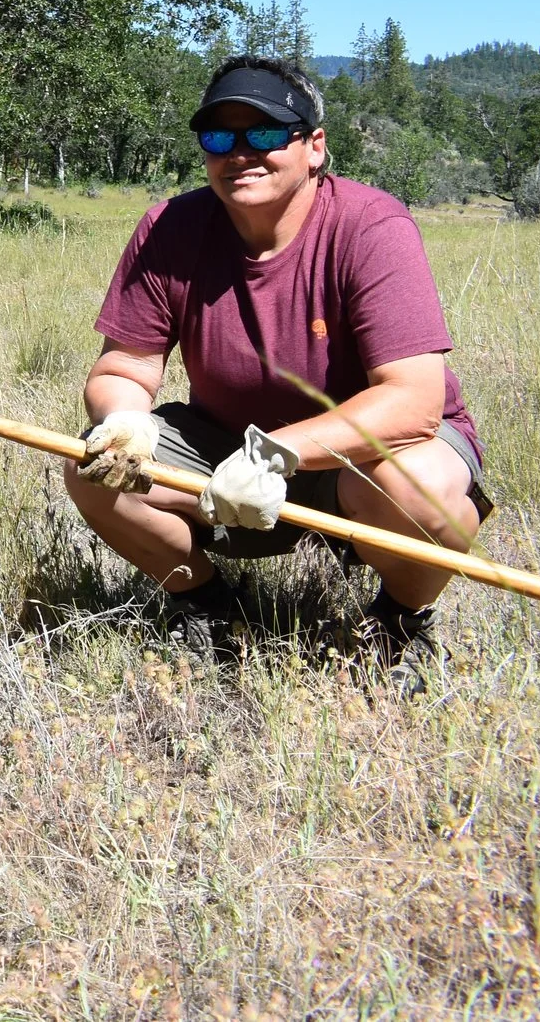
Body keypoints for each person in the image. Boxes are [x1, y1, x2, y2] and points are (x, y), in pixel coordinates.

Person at [68, 57, 490, 672]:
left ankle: (400, 623)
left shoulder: (371, 226)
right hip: (225, 448)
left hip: (368, 457)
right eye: (219, 137)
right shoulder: (170, 228)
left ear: (314, 146)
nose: (240, 153)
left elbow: (413, 401)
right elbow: (123, 370)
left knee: (420, 490)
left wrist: (273, 453)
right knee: (93, 468)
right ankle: (209, 607)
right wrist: (125, 424)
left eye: (265, 133)